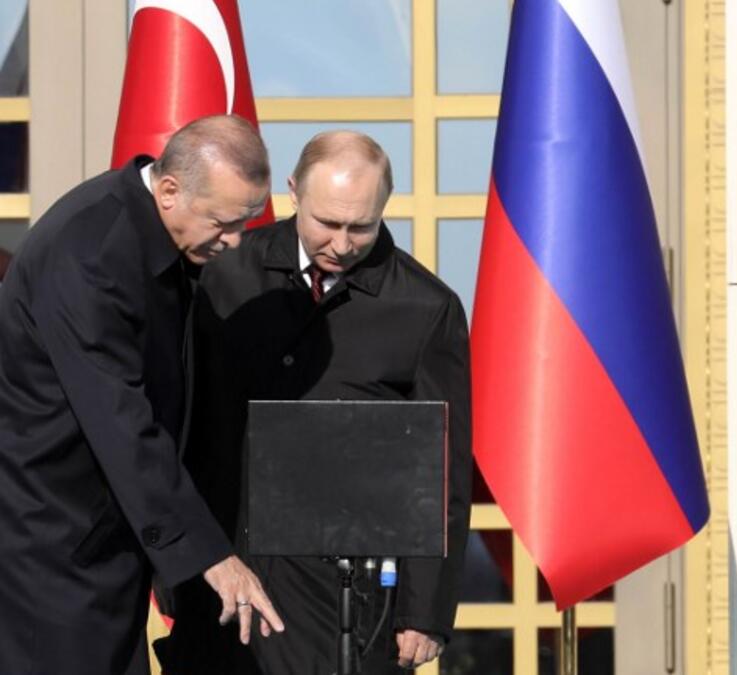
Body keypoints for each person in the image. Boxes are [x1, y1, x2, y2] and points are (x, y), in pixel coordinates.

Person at [159, 130, 472, 674]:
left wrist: (424, 611)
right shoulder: (222, 273)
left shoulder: (427, 308)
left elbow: (442, 471)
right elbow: (177, 421)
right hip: (222, 576)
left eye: (362, 227)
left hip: (349, 597)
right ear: (293, 194)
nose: (344, 244)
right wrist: (175, 561)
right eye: (328, 223)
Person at [0, 115, 286, 675]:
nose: (234, 240)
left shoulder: (156, 233)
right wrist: (210, 555)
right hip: (46, 544)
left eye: (246, 222)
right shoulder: (93, 252)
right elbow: (122, 420)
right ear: (171, 190)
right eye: (223, 222)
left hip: (100, 539)